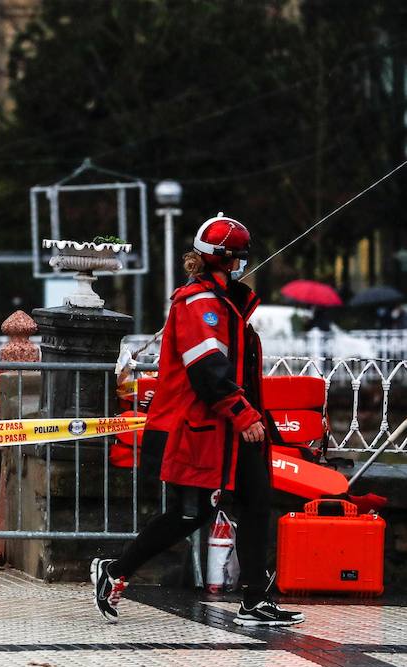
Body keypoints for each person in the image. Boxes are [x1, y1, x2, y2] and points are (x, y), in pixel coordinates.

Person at [91, 213, 303, 627]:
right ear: (226, 259)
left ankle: (256, 599)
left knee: (258, 503)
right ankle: (115, 570)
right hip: (197, 431)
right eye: (239, 257)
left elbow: (233, 369)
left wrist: (254, 419)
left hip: (230, 430)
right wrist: (243, 414)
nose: (243, 264)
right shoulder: (199, 304)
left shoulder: (224, 302)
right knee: (190, 515)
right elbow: (207, 368)